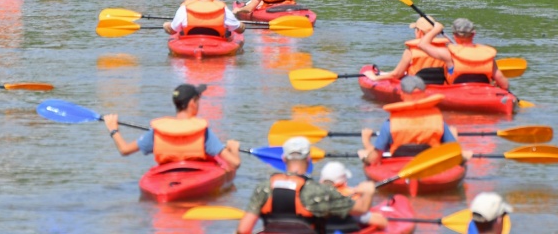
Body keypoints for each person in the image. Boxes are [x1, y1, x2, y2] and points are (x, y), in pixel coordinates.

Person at [236, 137, 380, 234]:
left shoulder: (264, 188)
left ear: (284, 159)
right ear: (309, 159)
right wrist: (368, 191)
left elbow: (243, 230)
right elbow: (360, 209)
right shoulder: (320, 191)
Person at [102, 83, 241, 171]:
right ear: (193, 103)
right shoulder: (203, 132)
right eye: (198, 101)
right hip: (196, 174)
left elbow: (124, 150)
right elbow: (234, 164)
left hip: (166, 176)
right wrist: (233, 149)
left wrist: (113, 129)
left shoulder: (158, 131)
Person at [360, 76, 472, 166]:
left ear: (402, 95)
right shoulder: (438, 120)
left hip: (399, 167)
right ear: (424, 94)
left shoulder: (390, 124)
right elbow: (454, 154)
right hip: (431, 165)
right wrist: (454, 138)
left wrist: (366, 142)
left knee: (363, 154)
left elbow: (373, 159)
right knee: (466, 154)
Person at [417, 18, 510, 90]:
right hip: (483, 94)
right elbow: (504, 84)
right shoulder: (487, 55)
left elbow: (422, 44)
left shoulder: (449, 54)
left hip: (457, 93)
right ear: (473, 34)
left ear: (454, 35)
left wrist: (436, 29)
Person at [363, 17, 448, 85]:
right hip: (439, 86)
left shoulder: (410, 51)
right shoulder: (445, 49)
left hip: (415, 87)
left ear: (419, 32)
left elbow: (396, 75)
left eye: (415, 29)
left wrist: (375, 77)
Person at [319, 162, 389, 231]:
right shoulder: (349, 204)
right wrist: (367, 193)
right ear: (345, 182)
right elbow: (381, 222)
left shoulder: (314, 197)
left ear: (321, 181)